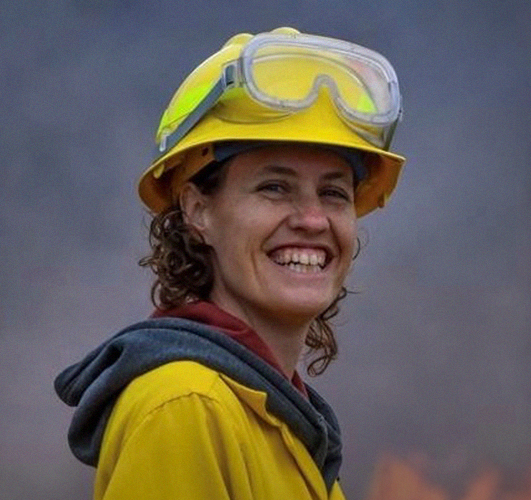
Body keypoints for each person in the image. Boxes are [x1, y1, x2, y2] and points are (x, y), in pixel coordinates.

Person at [54, 27, 404, 500]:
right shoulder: (185, 408)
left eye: (333, 192)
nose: (313, 219)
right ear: (198, 211)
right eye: (274, 187)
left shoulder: (278, 418)